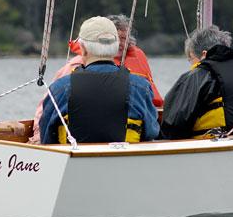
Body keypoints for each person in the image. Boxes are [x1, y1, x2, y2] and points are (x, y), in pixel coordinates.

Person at [28, 14, 162, 144]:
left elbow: (47, 137)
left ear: (83, 49)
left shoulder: (59, 89)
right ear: (115, 47)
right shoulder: (141, 87)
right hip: (126, 157)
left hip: (74, 157)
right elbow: (151, 132)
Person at [161, 25, 233, 139]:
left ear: (204, 54)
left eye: (191, 59)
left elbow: (173, 125)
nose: (191, 65)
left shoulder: (198, 75)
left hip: (216, 144)